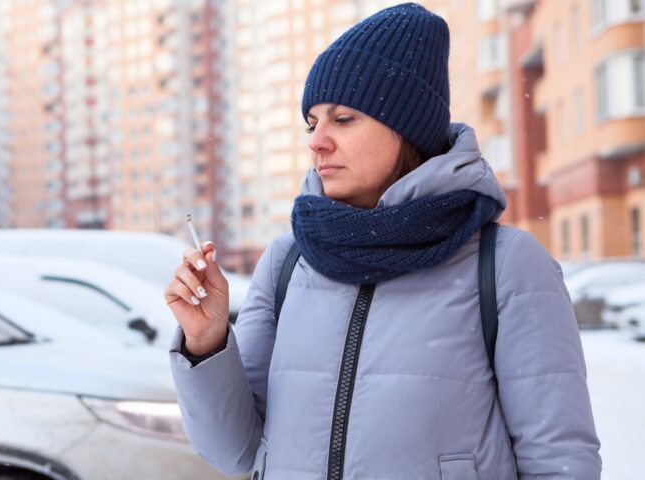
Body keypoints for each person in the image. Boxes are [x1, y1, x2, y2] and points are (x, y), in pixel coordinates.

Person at [163, 3, 601, 479]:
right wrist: (205, 344)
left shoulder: (506, 265)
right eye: (313, 122)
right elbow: (235, 453)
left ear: (406, 129)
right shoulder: (288, 261)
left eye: (343, 119)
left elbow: (560, 460)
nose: (317, 141)